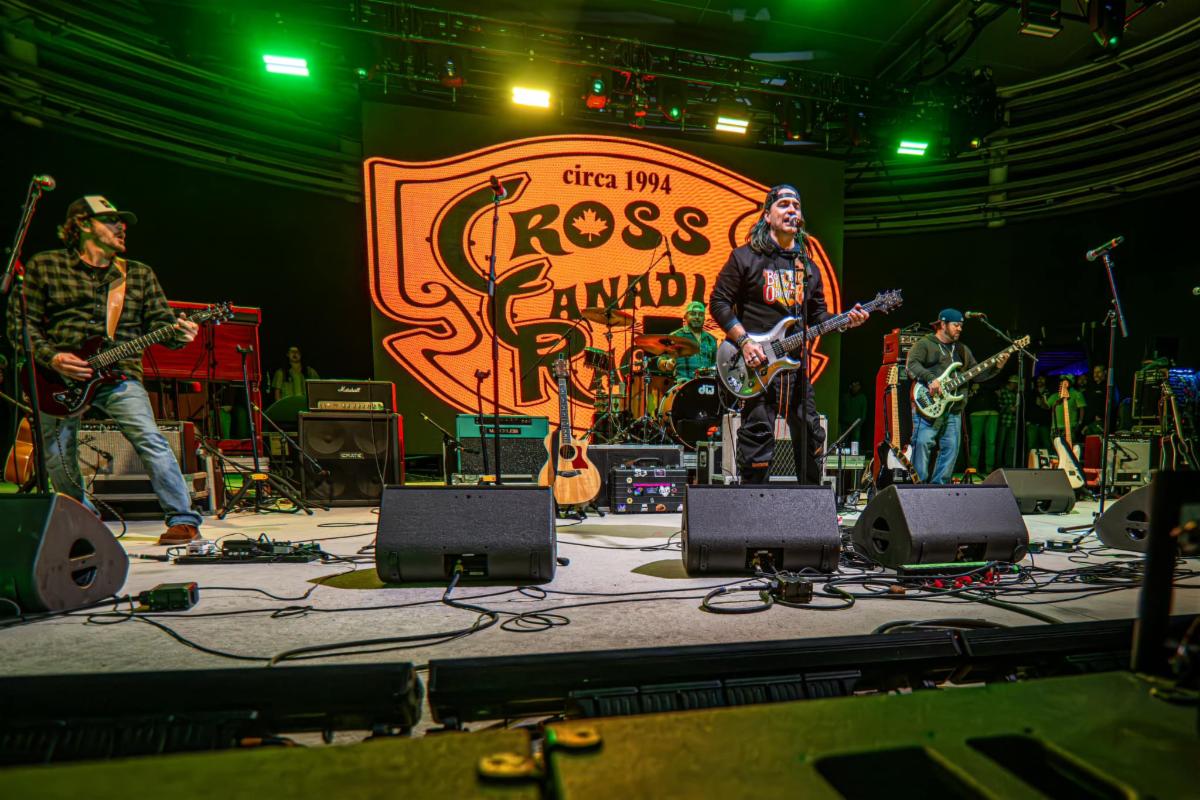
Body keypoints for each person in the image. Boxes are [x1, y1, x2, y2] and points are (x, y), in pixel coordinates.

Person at [5, 195, 202, 544]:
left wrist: (181, 334)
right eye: (110, 220)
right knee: (57, 453)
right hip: (56, 378)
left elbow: (162, 324)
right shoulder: (46, 266)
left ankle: (182, 518)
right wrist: (53, 357)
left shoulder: (137, 273)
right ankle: (82, 519)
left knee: (149, 437)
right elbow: (20, 324)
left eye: (121, 221)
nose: (120, 226)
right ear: (82, 224)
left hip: (119, 374)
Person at [710, 184, 868, 484]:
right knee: (757, 438)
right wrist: (744, 342)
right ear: (767, 215)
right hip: (756, 364)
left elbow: (819, 317)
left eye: (796, 205)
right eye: (783, 205)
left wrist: (846, 320)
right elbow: (719, 302)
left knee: (811, 435)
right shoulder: (745, 258)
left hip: (795, 368)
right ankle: (754, 503)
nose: (792, 210)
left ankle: (809, 504)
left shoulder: (807, 268)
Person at [905, 309, 1009, 484]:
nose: (960, 328)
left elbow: (977, 375)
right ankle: (917, 486)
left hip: (953, 409)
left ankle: (940, 487)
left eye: (961, 325)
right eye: (956, 325)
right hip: (928, 405)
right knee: (922, 444)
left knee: (951, 448)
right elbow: (912, 365)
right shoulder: (925, 344)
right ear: (942, 324)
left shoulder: (962, 349)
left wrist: (997, 367)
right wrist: (930, 379)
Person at [659, 301, 717, 383]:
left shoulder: (711, 339)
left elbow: (715, 365)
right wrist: (666, 364)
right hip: (683, 383)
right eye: (693, 314)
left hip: (706, 383)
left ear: (704, 318)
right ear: (685, 316)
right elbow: (661, 361)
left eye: (700, 314)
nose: (697, 317)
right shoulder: (676, 336)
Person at [966, 374, 1003, 478]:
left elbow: (997, 385)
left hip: (993, 411)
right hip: (977, 411)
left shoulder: (994, 374)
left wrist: (981, 386)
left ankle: (989, 469)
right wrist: (985, 387)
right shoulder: (973, 374)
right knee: (975, 442)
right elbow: (970, 386)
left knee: (991, 442)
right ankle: (973, 468)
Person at [1047, 374, 1086, 444]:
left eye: (1066, 381)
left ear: (1070, 383)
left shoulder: (1076, 394)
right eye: (1062, 381)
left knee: (1068, 448)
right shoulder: (1055, 395)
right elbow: (1046, 406)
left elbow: (1082, 409)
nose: (1063, 383)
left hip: (1070, 427)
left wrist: (1079, 423)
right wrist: (1042, 399)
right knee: (1056, 448)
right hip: (1055, 428)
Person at [997, 374, 1021, 468]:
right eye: (1015, 383)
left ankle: (1009, 464)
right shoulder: (1003, 391)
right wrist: (1008, 409)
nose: (1015, 385)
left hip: (1013, 421)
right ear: (1011, 383)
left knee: (1011, 445)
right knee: (1000, 444)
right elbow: (998, 406)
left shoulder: (1015, 393)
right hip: (1004, 421)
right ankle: (998, 465)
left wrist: (1015, 409)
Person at [839, 379, 868, 453]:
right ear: (850, 386)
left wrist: (860, 422)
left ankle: (855, 455)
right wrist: (841, 420)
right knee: (843, 440)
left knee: (855, 441)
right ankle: (842, 454)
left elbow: (864, 412)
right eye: (854, 385)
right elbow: (840, 409)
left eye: (857, 386)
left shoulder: (862, 398)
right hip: (845, 423)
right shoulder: (845, 397)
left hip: (856, 424)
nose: (855, 387)